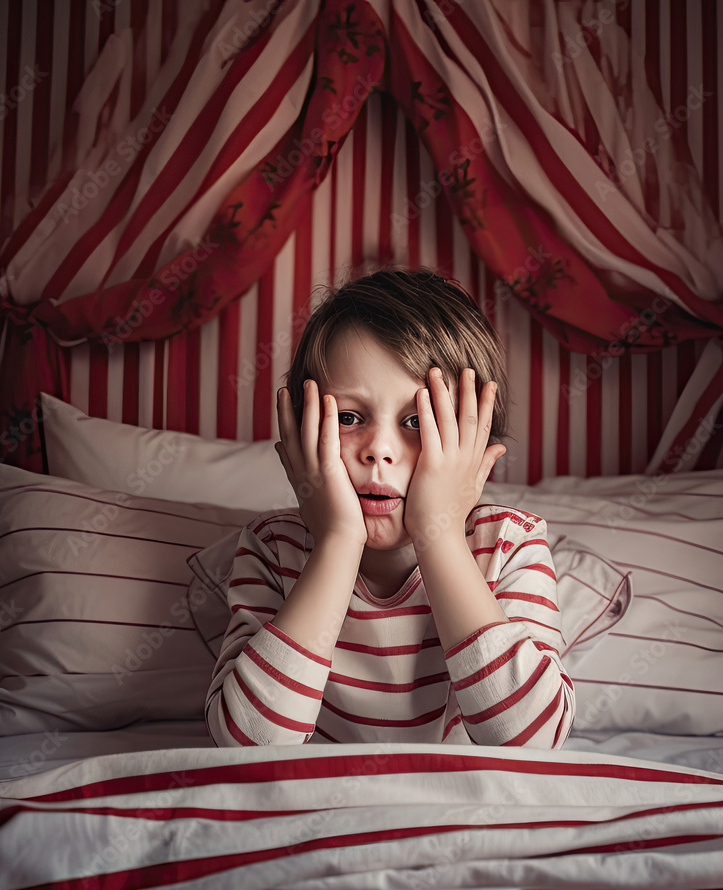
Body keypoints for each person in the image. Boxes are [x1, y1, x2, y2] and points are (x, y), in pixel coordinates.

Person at [202, 266, 575, 747]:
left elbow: (531, 742)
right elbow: (247, 745)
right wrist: (338, 542)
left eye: (418, 421)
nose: (379, 450)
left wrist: (438, 533)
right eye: (349, 417)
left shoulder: (508, 545)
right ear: (298, 434)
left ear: (476, 442)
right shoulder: (273, 548)